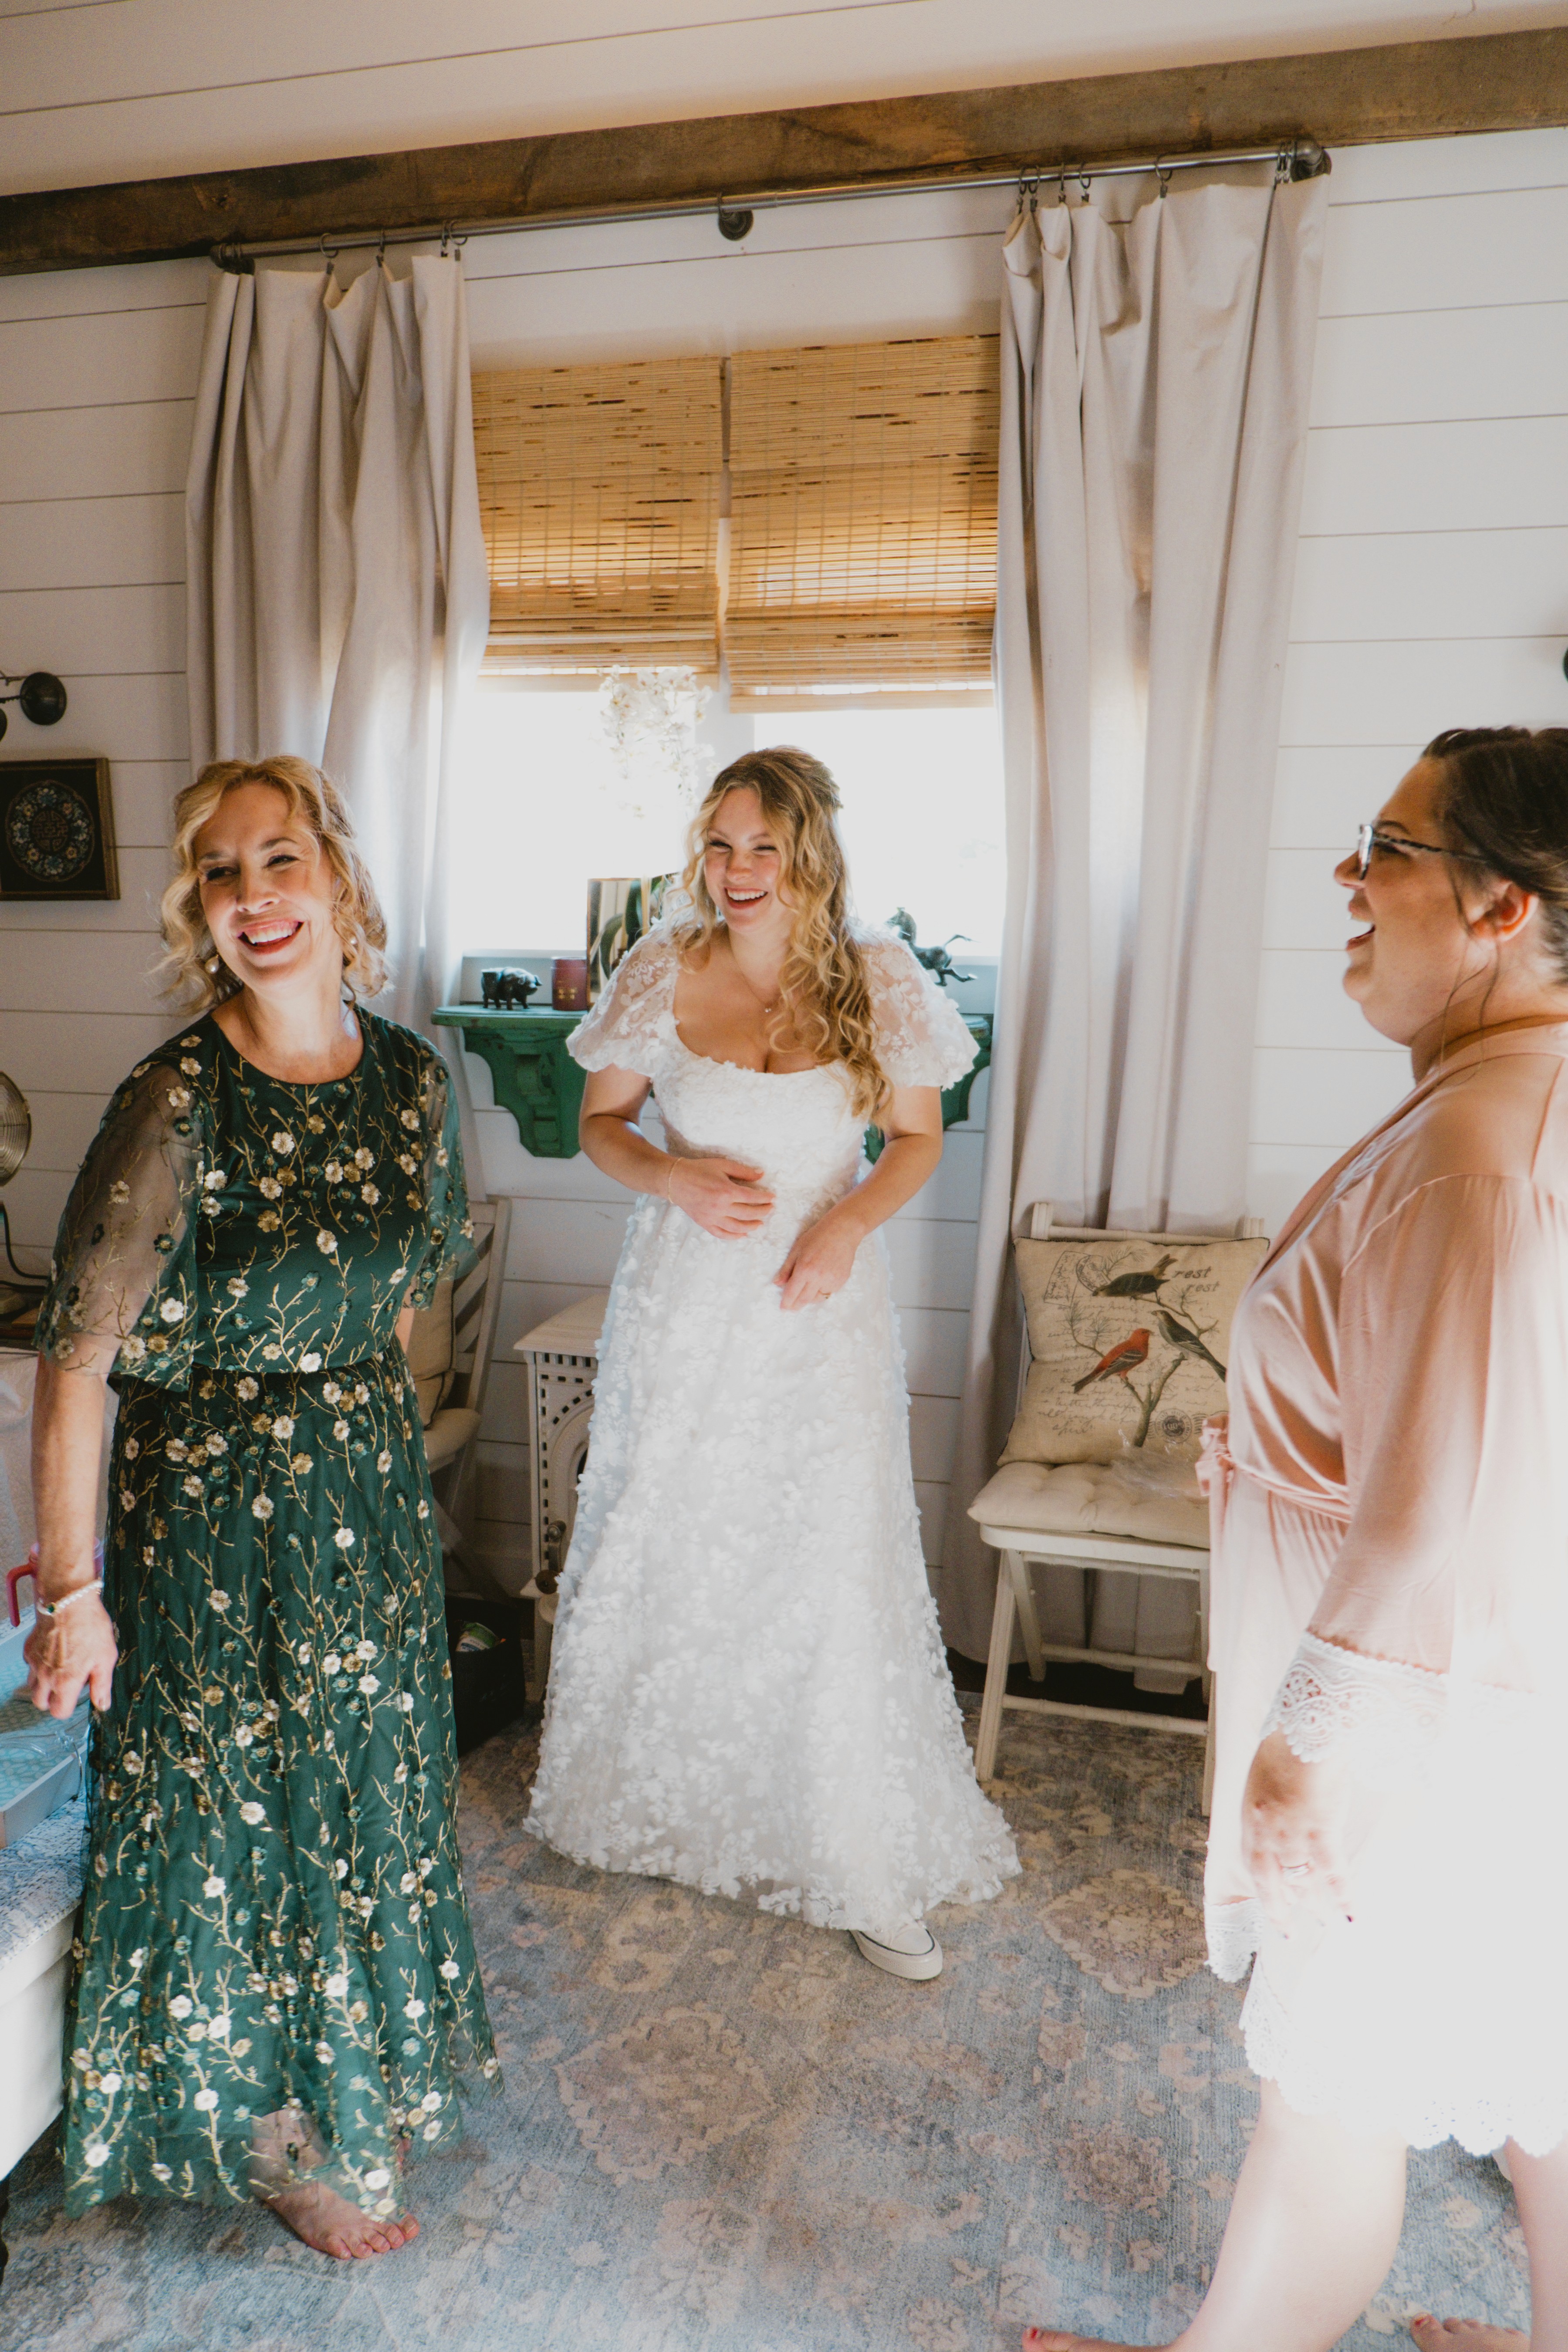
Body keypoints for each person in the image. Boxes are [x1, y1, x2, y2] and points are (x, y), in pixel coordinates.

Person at [1023, 726, 1568, 2352]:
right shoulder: (1506, 1103)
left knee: (1328, 2101)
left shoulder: (1476, 1155)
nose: (1350, 873)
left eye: (1388, 847)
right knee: (1537, 2083)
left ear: (1500, 906)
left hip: (1424, 1724)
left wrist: (1299, 1752)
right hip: (1501, 1687)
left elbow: (1443, 1505)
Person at [25, 756, 497, 2261]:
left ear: (338, 878)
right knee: (234, 1817)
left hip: (366, 1495)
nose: (253, 896)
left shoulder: (413, 1080)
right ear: (201, 909)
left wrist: (386, 1470)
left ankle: (351, 2078)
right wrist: (73, 1593)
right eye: (220, 872)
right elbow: (75, 1360)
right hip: (210, 1517)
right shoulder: (175, 1098)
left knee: (365, 1795)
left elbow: (411, 1303)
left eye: (279, 859)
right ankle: (272, 2135)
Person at [525, 747, 1018, 1977]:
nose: (738, 871)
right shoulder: (661, 967)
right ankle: (670, 1804)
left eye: (765, 848)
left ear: (812, 856)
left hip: (819, 1302)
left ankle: (855, 1850)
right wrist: (671, 1176)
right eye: (721, 845)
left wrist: (844, 1226)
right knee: (681, 1534)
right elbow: (600, 1125)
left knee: (823, 1552)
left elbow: (915, 1140)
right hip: (686, 1298)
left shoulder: (877, 975)